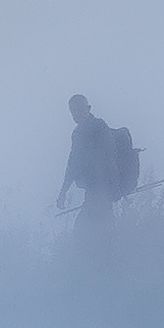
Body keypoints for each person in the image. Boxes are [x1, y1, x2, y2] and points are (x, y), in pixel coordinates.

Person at [55, 94, 139, 239]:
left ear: (88, 109)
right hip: (93, 190)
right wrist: (63, 192)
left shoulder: (99, 128)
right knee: (94, 230)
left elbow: (110, 158)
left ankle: (108, 256)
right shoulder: (78, 134)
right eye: (73, 111)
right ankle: (110, 255)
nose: (76, 114)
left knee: (91, 231)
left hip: (102, 190)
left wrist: (115, 188)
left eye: (80, 110)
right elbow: (72, 165)